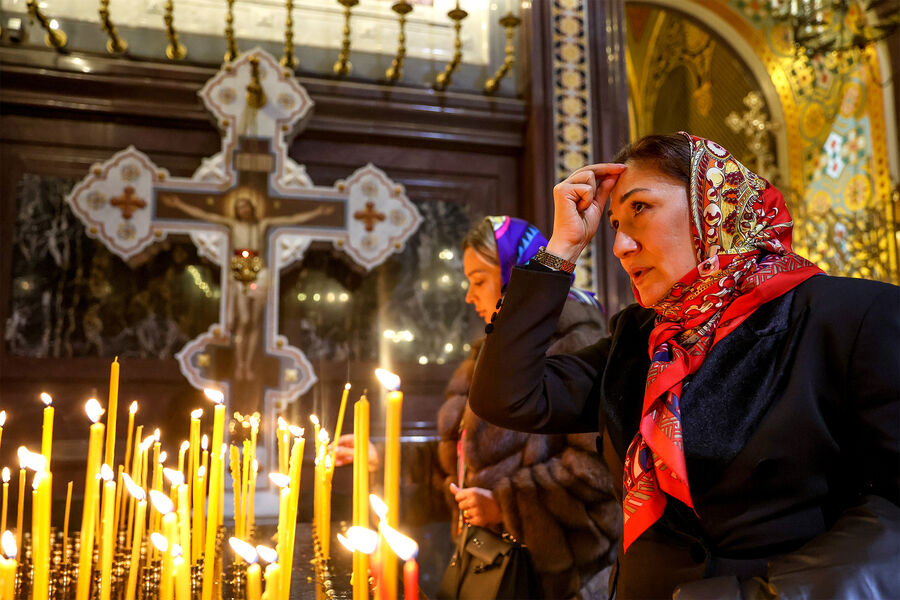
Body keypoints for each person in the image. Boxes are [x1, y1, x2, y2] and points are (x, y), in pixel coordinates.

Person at [468, 133, 900, 599]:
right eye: (613, 223)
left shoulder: (847, 317)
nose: (620, 245)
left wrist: (760, 594)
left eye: (640, 209)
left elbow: (893, 505)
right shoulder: (638, 339)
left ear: (712, 203)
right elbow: (507, 396)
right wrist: (563, 249)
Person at [438, 216, 620, 599]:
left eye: (478, 280)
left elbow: (597, 469)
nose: (470, 296)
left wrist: (507, 506)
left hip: (557, 579)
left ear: (513, 277)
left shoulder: (577, 340)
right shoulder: (488, 355)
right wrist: (379, 456)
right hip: (491, 565)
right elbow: (463, 451)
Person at [161, 188, 332, 380]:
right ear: (236, 210)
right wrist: (178, 204)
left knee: (254, 321)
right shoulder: (233, 224)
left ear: (251, 208)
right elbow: (205, 214)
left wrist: (317, 213)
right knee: (243, 320)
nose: (243, 210)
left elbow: (291, 219)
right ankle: (240, 364)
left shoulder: (262, 224)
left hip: (259, 269)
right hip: (240, 267)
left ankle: (247, 364)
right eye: (239, 207)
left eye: (245, 206)